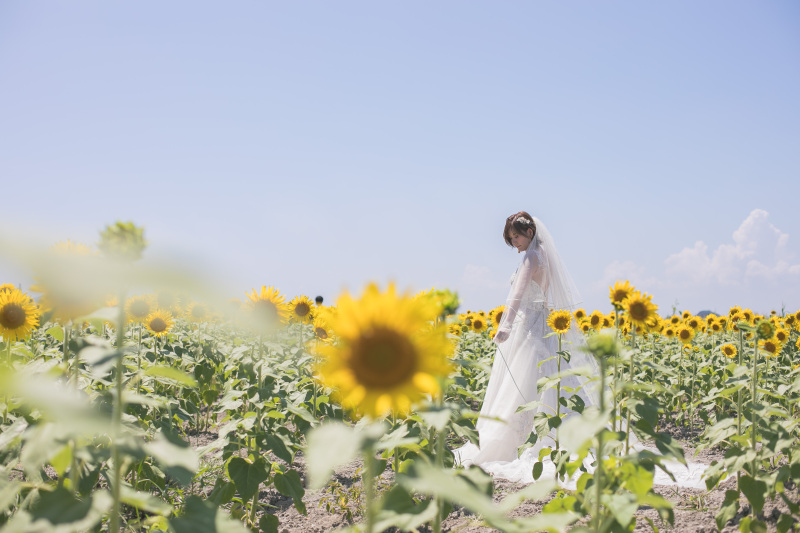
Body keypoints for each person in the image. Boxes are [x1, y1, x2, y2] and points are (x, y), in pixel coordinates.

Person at [455, 211, 599, 478]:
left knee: (520, 382)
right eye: (511, 239)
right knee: (548, 377)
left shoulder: (531, 257)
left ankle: (512, 444)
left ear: (529, 233)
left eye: (516, 237)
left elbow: (517, 295)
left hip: (527, 325)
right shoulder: (546, 256)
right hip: (544, 322)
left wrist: (505, 326)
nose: (515, 244)